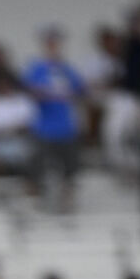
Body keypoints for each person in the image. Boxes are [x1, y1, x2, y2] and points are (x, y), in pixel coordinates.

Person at [24, 29, 84, 207]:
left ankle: (67, 201)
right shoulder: (37, 68)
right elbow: (30, 90)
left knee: (70, 168)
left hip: (66, 127)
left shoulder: (67, 69)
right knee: (37, 164)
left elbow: (80, 90)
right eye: (50, 43)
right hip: (44, 128)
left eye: (56, 43)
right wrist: (49, 93)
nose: (53, 47)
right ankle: (36, 198)